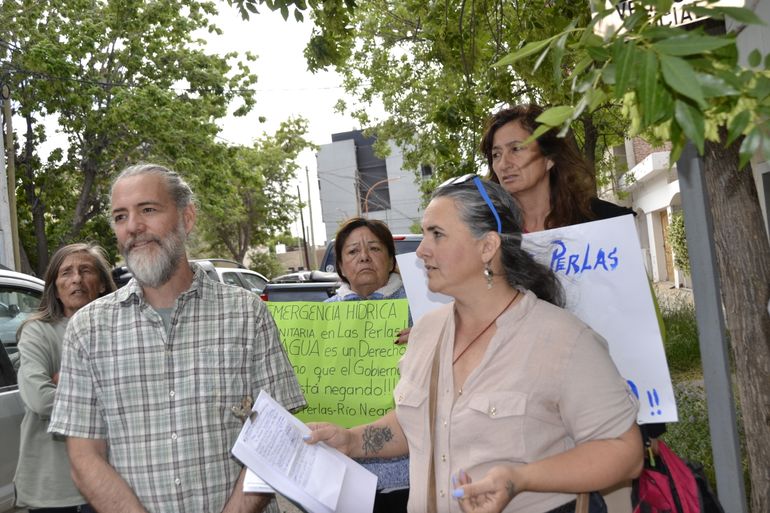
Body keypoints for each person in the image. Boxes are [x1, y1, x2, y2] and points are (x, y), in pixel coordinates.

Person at [305, 176, 643, 513]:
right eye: (424, 235)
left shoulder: (565, 340)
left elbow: (624, 453)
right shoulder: (425, 333)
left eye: (437, 234)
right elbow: (417, 426)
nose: (421, 251)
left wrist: (520, 479)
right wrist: (351, 441)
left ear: (487, 247)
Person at [49, 163, 306, 513]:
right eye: (120, 217)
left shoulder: (247, 314)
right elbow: (84, 456)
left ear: (186, 218)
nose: (134, 227)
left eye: (148, 210)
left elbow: (275, 435)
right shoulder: (87, 329)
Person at [14, 243, 116, 513]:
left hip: (115, 484)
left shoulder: (122, 333)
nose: (77, 279)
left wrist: (66, 383)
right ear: (55, 287)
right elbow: (40, 400)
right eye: (66, 273)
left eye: (85, 270)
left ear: (103, 284)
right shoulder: (37, 332)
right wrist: (108, 393)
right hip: (56, 491)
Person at [325, 217, 411, 513]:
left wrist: (430, 337)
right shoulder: (320, 317)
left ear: (390, 260)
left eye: (374, 248)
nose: (363, 256)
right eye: (352, 252)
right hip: (341, 476)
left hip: (408, 476)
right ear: (340, 266)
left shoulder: (422, 308)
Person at [479, 104, 633, 233]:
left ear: (549, 157)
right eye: (496, 154)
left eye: (516, 149)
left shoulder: (605, 220)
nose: (503, 164)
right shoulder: (485, 231)